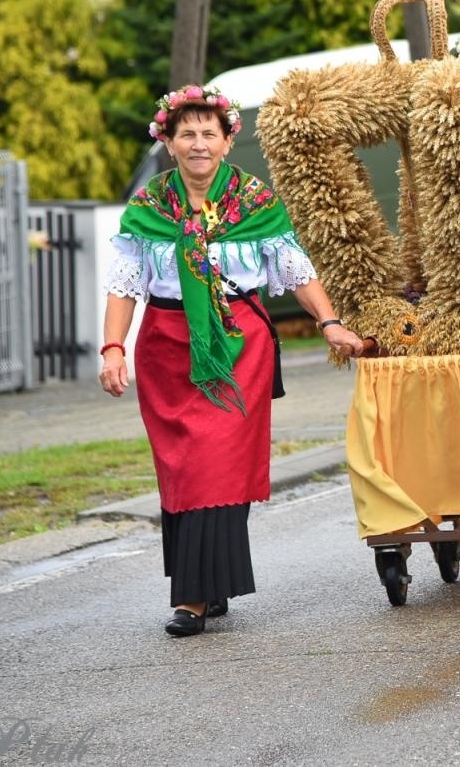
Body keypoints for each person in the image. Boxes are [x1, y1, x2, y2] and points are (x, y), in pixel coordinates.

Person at [100, 84, 366, 637]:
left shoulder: (254, 201)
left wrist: (330, 321)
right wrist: (112, 348)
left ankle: (192, 597)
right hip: (166, 348)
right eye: (187, 134)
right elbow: (124, 285)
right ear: (168, 143)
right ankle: (208, 582)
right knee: (181, 466)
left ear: (226, 143)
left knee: (213, 461)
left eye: (208, 134)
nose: (198, 143)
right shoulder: (148, 208)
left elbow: (295, 267)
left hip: (238, 344)